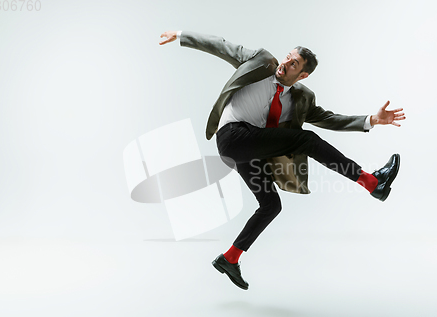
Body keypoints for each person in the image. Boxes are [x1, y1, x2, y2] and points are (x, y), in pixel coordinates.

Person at [159, 30, 405, 290]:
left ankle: (230, 259)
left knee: (271, 205)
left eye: (293, 64)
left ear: (302, 75)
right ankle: (371, 182)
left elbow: (329, 119)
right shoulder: (260, 60)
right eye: (287, 57)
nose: (285, 63)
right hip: (231, 137)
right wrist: (180, 35)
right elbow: (222, 46)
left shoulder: (301, 98)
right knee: (305, 139)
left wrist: (371, 120)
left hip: (249, 147)